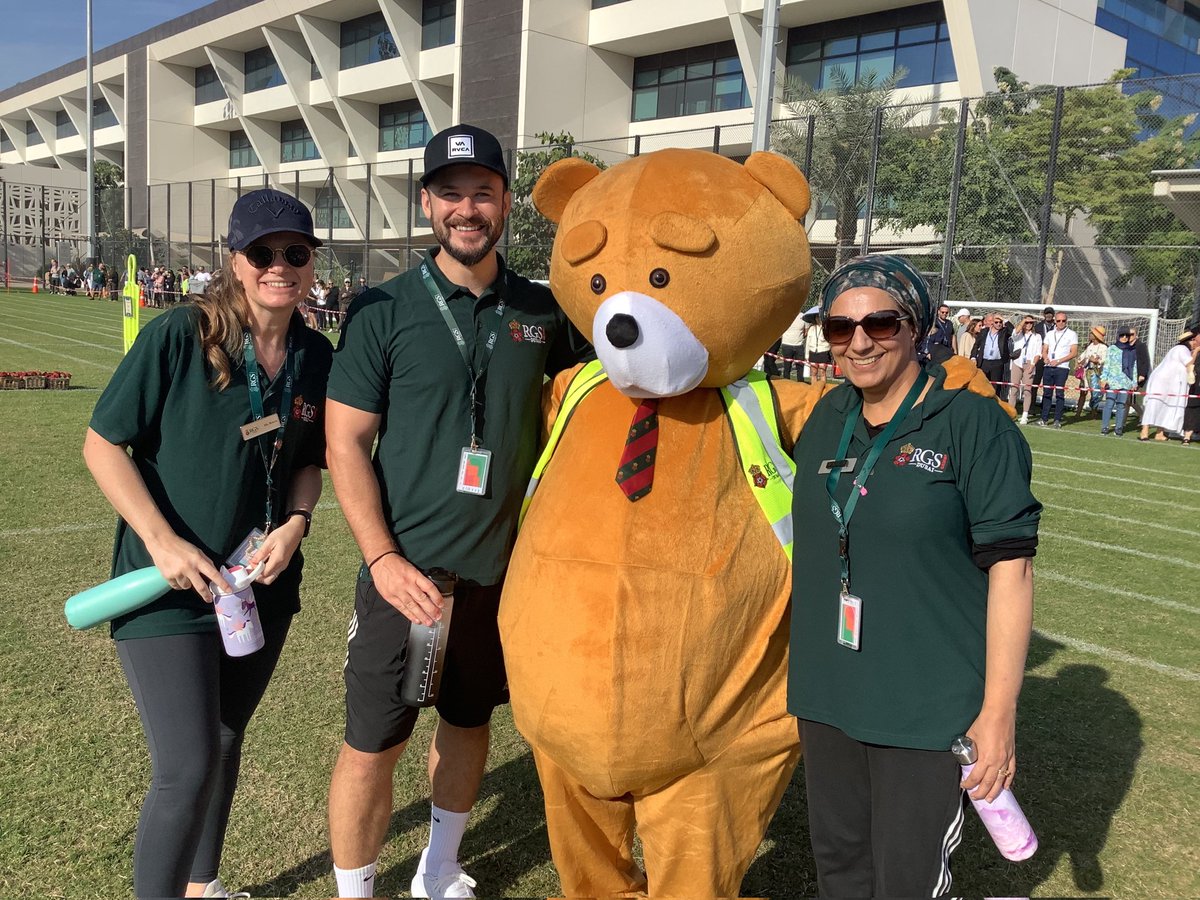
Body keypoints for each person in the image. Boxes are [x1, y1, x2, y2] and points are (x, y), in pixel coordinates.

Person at [324, 123, 590, 900]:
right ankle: (356, 891)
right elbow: (345, 445)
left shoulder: (546, 312)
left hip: (503, 579)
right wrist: (383, 558)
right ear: (427, 203)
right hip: (406, 575)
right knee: (374, 744)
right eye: (450, 194)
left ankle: (438, 870)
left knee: (470, 723)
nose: (466, 209)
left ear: (506, 201)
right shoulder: (382, 308)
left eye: (482, 193)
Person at [81, 188, 331, 899]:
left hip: (258, 588)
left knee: (224, 741)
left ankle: (203, 886)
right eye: (263, 253)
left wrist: (295, 524)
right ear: (235, 260)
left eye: (295, 253)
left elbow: (309, 461)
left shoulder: (316, 354)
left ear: (312, 262)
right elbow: (104, 444)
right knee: (186, 765)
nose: (279, 265)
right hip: (170, 586)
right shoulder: (181, 334)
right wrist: (161, 543)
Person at [787, 254, 1040, 898]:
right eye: (839, 328)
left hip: (927, 708)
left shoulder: (973, 424)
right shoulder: (827, 417)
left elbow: (1011, 573)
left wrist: (998, 714)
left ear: (918, 325)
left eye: (881, 322)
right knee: (840, 871)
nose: (860, 341)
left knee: (907, 883)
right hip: (828, 695)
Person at [1139, 325, 1200, 442]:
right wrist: (1196, 351)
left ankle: (1159, 433)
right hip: (1163, 383)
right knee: (1155, 405)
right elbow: (1189, 364)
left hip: (1170, 384)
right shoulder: (1181, 349)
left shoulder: (1179, 350)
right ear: (1191, 341)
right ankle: (1144, 431)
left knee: (1165, 406)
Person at [1037, 311, 1078, 428]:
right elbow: (1044, 349)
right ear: (1055, 321)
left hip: (1062, 368)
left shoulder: (1071, 334)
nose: (1061, 323)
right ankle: (1044, 418)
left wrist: (1059, 360)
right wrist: (1045, 358)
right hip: (1048, 367)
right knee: (1046, 393)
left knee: (1059, 393)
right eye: (1058, 320)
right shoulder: (1050, 334)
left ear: (1066, 321)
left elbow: (1074, 352)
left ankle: (1057, 420)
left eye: (1063, 321)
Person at [1100, 326, 1137, 436]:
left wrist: (1134, 382)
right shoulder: (1112, 348)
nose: (1124, 338)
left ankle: (1119, 428)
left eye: (1127, 335)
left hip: (1126, 382)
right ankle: (1105, 427)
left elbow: (1134, 367)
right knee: (1109, 404)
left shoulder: (1132, 350)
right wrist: (1104, 379)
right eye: (1122, 335)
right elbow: (1107, 364)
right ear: (1118, 336)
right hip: (1112, 382)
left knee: (1121, 405)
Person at [1008, 315, 1041, 425]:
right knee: (1014, 389)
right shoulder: (1018, 334)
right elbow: (1015, 332)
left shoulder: (1037, 336)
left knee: (1027, 391)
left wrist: (1032, 365)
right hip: (1017, 363)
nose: (1028, 324)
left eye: (1031, 322)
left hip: (1029, 363)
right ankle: (1011, 413)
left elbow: (1038, 353)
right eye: (1027, 322)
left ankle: (1025, 415)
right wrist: (1023, 321)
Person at [971, 311, 1008, 401]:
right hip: (984, 362)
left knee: (995, 387)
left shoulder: (1003, 332)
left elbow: (1012, 330)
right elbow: (976, 345)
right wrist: (973, 357)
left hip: (997, 363)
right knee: (982, 384)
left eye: (1000, 322)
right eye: (995, 321)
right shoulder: (984, 332)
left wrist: (1003, 319)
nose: (998, 324)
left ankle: (994, 404)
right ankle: (981, 403)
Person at [1076, 325, 1107, 415]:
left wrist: (1096, 361)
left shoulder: (1103, 347)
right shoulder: (1089, 346)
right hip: (1086, 371)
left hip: (1095, 373)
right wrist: (1079, 362)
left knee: (1095, 393)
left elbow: (1104, 360)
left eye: (1092, 333)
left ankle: (1093, 412)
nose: (1090, 334)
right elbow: (1083, 356)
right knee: (1083, 392)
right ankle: (1078, 412)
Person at [777, 306, 808, 380]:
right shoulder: (786, 316)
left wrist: (800, 338)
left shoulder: (803, 316)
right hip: (787, 345)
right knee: (787, 367)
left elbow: (806, 331)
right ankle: (786, 383)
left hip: (799, 345)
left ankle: (801, 384)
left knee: (800, 367)